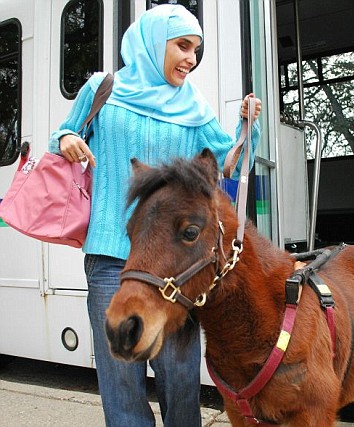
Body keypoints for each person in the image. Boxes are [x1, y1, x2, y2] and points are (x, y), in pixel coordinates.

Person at [49, 5, 261, 427]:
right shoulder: (102, 88)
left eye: (197, 49)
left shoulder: (194, 106)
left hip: (172, 264)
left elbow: (227, 162)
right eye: (182, 46)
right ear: (152, 41)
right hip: (112, 254)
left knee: (180, 374)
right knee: (120, 376)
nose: (191, 58)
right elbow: (62, 135)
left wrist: (246, 127)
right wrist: (69, 137)